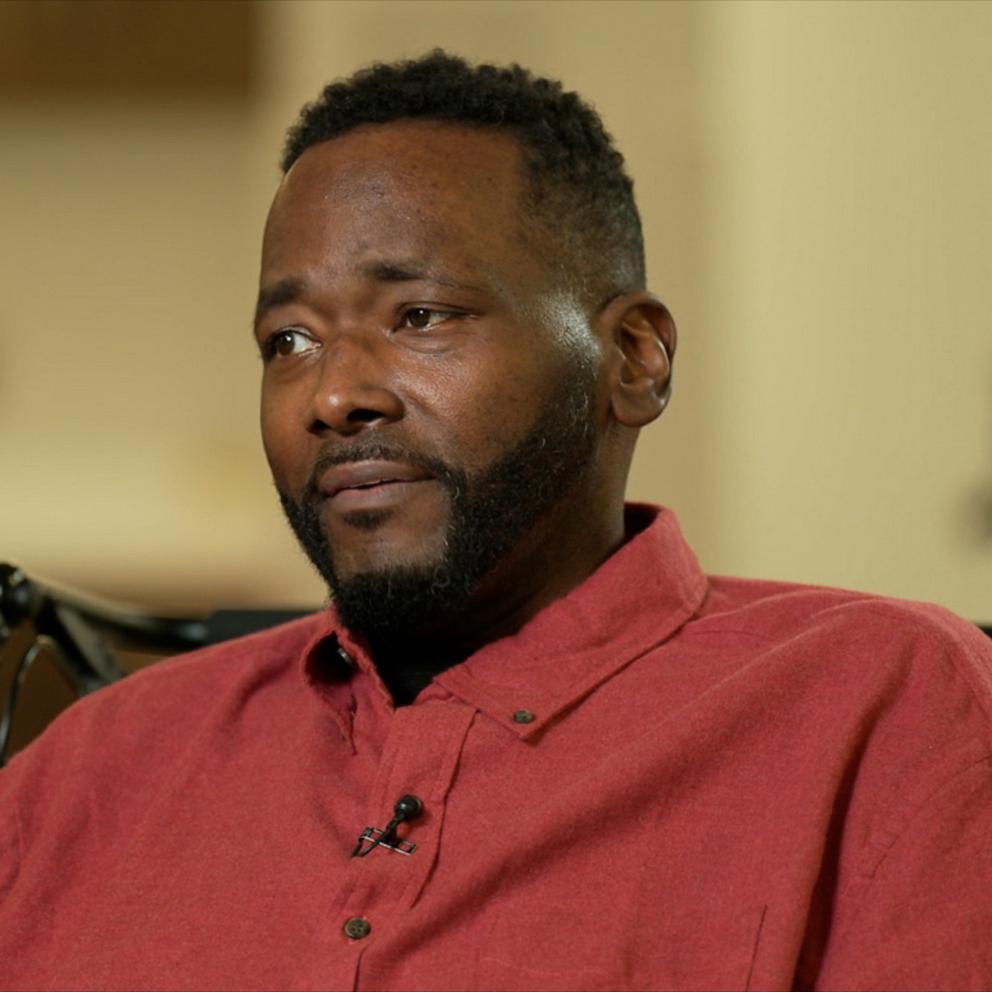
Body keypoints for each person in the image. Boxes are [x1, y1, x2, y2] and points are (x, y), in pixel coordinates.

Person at [1, 50, 991, 992]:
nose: (333, 396)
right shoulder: (92, 768)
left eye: (420, 316)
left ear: (633, 358)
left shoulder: (881, 700)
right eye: (289, 340)